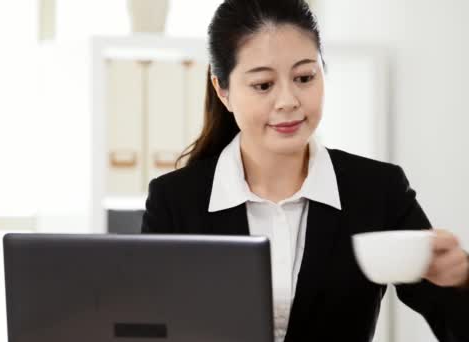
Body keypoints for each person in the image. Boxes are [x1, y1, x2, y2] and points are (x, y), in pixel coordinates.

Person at [140, 0, 469, 341]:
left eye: (304, 77)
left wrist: (461, 281)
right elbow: (144, 327)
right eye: (263, 85)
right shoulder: (174, 200)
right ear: (223, 91)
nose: (288, 101)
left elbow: (454, 322)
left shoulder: (377, 189)